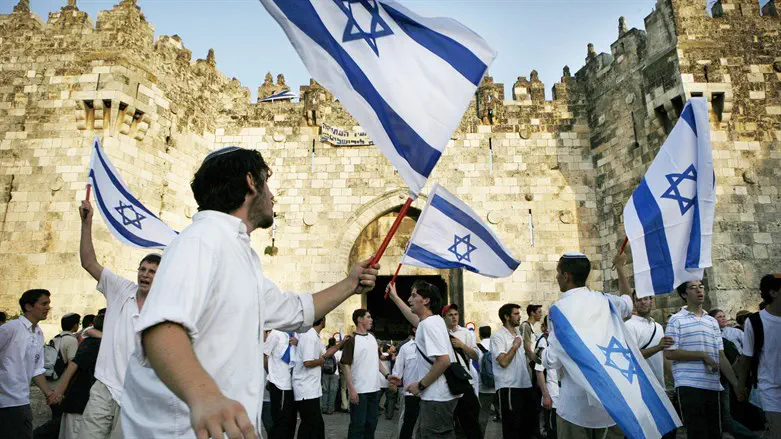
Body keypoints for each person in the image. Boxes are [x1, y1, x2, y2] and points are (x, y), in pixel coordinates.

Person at [118, 147, 379, 438]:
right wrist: (205, 396)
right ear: (251, 182)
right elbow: (161, 329)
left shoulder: (240, 255)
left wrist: (351, 283)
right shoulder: (201, 239)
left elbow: (294, 310)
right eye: (268, 183)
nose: (272, 196)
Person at [79, 198, 161, 439]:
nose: (145, 275)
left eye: (152, 272)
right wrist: (86, 223)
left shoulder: (164, 308)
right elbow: (88, 262)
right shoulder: (120, 289)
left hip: (137, 396)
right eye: (142, 269)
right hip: (105, 387)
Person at [542, 252, 632, 439]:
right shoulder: (606, 300)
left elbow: (552, 360)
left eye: (558, 272)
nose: (556, 277)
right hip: (609, 404)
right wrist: (620, 268)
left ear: (566, 276)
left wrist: (540, 353)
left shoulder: (559, 310)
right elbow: (628, 304)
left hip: (575, 407)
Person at [665, 280, 745, 439]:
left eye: (701, 287)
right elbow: (670, 353)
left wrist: (736, 384)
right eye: (693, 288)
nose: (699, 290)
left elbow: (721, 356)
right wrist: (702, 355)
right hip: (689, 384)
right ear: (684, 294)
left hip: (713, 385)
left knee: (715, 433)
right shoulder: (676, 320)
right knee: (698, 433)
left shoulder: (712, 322)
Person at [401, 281, 459, 438]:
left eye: (414, 295)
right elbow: (414, 318)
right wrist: (394, 297)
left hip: (436, 398)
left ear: (426, 300)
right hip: (439, 397)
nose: (409, 299)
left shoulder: (428, 325)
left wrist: (420, 385)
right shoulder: (435, 321)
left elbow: (443, 361)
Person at [0, 289, 60, 439]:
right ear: (28, 306)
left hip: (22, 401)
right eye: (44, 304)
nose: (48, 308)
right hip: (5, 402)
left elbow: (36, 369)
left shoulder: (39, 333)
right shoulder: (11, 328)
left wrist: (49, 393)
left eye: (48, 304)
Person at [623, 291, 675, 438]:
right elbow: (632, 356)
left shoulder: (658, 326)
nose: (643, 302)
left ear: (652, 301)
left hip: (659, 386)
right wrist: (658, 347)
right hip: (640, 389)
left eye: (646, 299)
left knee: (667, 431)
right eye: (639, 300)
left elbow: (664, 356)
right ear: (634, 303)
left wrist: (673, 381)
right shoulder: (629, 325)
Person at [737, 274, 781, 439]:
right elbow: (746, 357)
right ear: (773, 293)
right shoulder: (755, 322)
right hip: (771, 391)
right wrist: (740, 386)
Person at [52, 312, 105, 439]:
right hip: (80, 405)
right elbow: (73, 365)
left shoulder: (95, 341)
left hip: (80, 404)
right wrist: (58, 393)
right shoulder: (95, 344)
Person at [340, 309, 388, 439]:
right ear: (360, 320)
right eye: (368, 317)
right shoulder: (352, 340)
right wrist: (351, 389)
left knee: (371, 424)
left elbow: (376, 360)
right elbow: (345, 365)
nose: (371, 320)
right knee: (358, 426)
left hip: (374, 389)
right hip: (359, 391)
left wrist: (387, 375)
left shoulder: (372, 337)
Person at [491, 303, 534, 439]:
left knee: (526, 429)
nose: (519, 316)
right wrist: (514, 346)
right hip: (509, 386)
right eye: (516, 314)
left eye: (519, 313)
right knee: (512, 429)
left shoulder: (518, 334)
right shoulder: (498, 336)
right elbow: (503, 362)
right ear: (507, 316)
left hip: (525, 385)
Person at [294, 316, 341, 439]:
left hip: (311, 389)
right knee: (312, 425)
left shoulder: (314, 336)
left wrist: (342, 343)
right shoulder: (309, 337)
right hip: (305, 389)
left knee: (312, 425)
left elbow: (326, 354)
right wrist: (321, 361)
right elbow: (307, 362)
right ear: (322, 320)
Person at [442, 303, 482, 439]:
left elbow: (476, 356)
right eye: (450, 315)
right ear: (444, 317)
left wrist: (462, 345)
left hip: (463, 379)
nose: (454, 317)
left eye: (456, 314)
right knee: (448, 421)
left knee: (470, 419)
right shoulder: (440, 333)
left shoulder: (466, 333)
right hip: (446, 380)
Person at [265, 329, 297, 439]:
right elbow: (264, 354)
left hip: (292, 383)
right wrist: (271, 375)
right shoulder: (275, 333)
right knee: (280, 420)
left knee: (290, 420)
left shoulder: (295, 334)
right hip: (279, 383)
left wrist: (297, 343)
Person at [391, 326, 420, 439]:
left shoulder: (431, 346)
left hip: (429, 393)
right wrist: (394, 383)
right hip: (410, 393)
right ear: (414, 329)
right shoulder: (406, 348)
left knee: (426, 425)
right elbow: (398, 369)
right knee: (408, 422)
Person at [521, 304, 543, 439]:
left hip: (532, 365)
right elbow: (527, 348)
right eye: (539, 312)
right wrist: (538, 362)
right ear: (532, 313)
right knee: (532, 400)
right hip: (529, 366)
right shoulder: (526, 326)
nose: (541, 314)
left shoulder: (533, 328)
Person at [533, 316, 558, 439]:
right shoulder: (545, 341)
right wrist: (546, 395)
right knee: (552, 430)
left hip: (564, 397)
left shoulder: (563, 340)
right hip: (553, 393)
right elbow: (539, 370)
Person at [476, 325, 498, 435]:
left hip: (485, 387)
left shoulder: (477, 348)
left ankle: (481, 435)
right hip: (499, 385)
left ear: (480, 335)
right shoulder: (496, 345)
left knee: (483, 414)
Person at [321, 337, 341, 415]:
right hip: (335, 373)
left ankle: (324, 408)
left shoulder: (324, 350)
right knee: (333, 391)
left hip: (325, 373)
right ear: (335, 343)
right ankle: (330, 409)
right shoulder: (338, 352)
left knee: (325, 390)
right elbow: (340, 362)